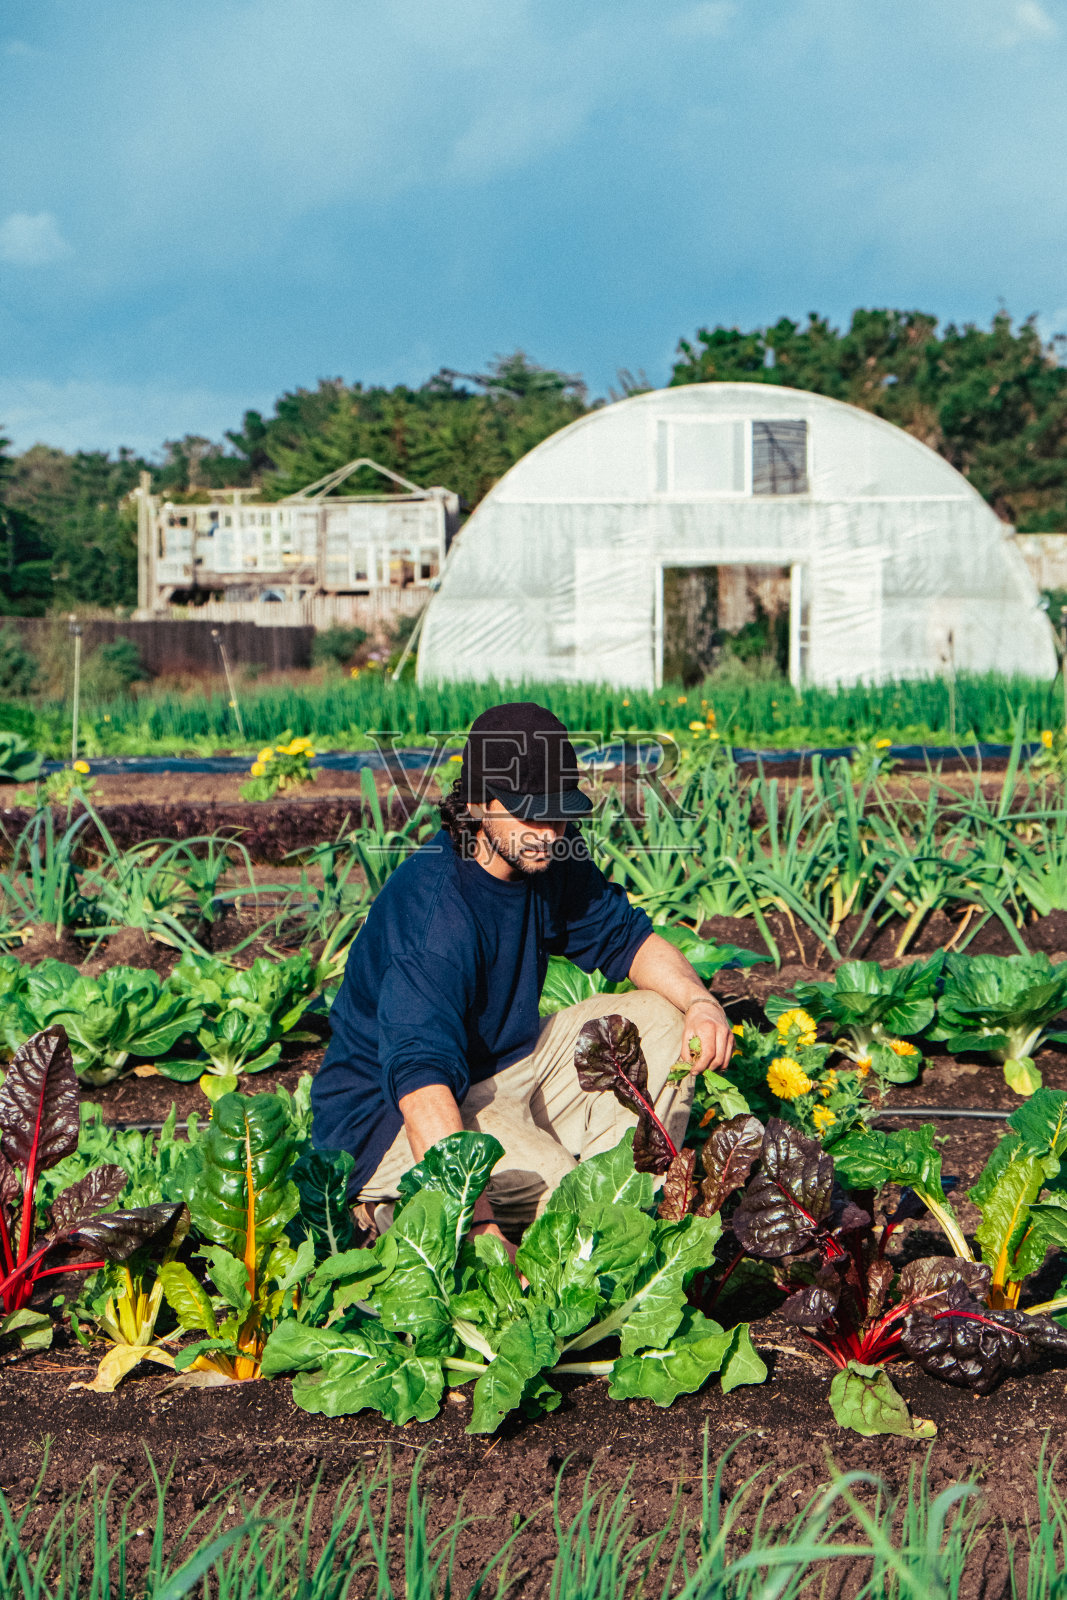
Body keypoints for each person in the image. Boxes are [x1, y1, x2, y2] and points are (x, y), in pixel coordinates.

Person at [311, 702, 734, 1257]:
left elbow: (626, 940)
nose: (548, 831)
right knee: (561, 1196)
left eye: (559, 813)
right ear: (475, 803)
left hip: (503, 1071)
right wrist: (481, 1227)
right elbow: (420, 1085)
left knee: (661, 1020)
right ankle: (393, 1204)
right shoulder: (435, 915)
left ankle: (629, 1204)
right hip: (394, 1118)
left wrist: (702, 1002)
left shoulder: (546, 859)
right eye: (529, 813)